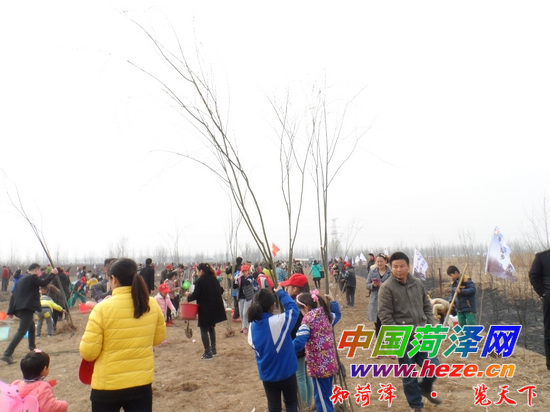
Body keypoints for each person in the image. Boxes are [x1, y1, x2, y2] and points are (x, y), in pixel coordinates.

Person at [79, 258, 166, 412]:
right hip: (141, 383)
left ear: (114, 279)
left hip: (107, 386)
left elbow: (89, 352)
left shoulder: (102, 309)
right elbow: (158, 338)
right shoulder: (151, 303)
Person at [378, 251, 442, 411]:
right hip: (403, 338)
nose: (398, 270)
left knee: (433, 365)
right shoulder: (386, 288)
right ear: (391, 267)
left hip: (422, 335)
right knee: (409, 375)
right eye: (395, 267)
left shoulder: (417, 283)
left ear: (408, 266)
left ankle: (425, 388)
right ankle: (416, 406)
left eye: (402, 266)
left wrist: (429, 325)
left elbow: (427, 306)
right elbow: (385, 316)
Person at [248, 287, 300, 412]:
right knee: (291, 404)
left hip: (267, 374)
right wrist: (281, 293)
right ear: (273, 305)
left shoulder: (252, 326)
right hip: (287, 372)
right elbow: (294, 309)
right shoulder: (278, 321)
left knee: (273, 407)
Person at [293, 290, 341, 412]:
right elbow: (337, 314)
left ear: (305, 307)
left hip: (318, 368)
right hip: (330, 364)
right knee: (326, 395)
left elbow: (299, 342)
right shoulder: (326, 316)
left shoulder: (307, 321)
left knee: (321, 399)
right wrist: (333, 301)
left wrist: (287, 349)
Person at [2, 264, 58, 365]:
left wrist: (10, 311)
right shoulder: (33, 277)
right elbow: (43, 283)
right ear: (36, 270)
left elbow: (13, 296)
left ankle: (32, 348)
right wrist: (52, 274)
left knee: (31, 327)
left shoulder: (21, 280)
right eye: (39, 271)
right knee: (21, 331)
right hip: (27, 308)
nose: (39, 273)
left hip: (20, 309)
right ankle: (7, 354)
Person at [280, 273, 313, 411]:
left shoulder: (295, 304)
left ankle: (303, 404)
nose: (286, 288)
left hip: (298, 344)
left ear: (295, 289)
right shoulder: (308, 301)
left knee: (300, 376)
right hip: (308, 344)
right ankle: (309, 402)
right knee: (307, 375)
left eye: (288, 286)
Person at [185, 262, 227, 360]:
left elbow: (195, 295)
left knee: (203, 329)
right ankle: (213, 350)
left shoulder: (200, 281)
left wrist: (188, 296)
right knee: (211, 328)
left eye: (197, 271)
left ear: (201, 271)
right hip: (214, 308)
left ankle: (208, 353)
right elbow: (221, 290)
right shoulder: (214, 279)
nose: (197, 273)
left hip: (205, 308)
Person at [529, 248, 550, 375]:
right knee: (549, 334)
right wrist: (543, 293)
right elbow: (533, 276)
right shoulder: (542, 257)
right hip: (549, 300)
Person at [366, 253, 392, 336]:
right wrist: (373, 285)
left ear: (385, 261)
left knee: (387, 324)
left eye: (381, 261)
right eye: (378, 261)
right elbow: (367, 285)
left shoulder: (391, 273)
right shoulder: (372, 272)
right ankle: (379, 342)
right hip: (375, 301)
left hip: (387, 301)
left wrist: (383, 285)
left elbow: (394, 286)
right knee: (377, 325)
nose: (379, 263)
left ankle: (387, 341)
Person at [234, 264, 254, 335]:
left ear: (248, 271)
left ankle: (245, 327)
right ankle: (243, 327)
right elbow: (235, 286)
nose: (244, 272)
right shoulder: (239, 278)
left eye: (245, 271)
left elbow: (246, 283)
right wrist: (235, 279)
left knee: (245, 313)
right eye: (243, 271)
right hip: (240, 297)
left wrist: (241, 277)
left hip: (248, 298)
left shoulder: (250, 277)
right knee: (241, 313)